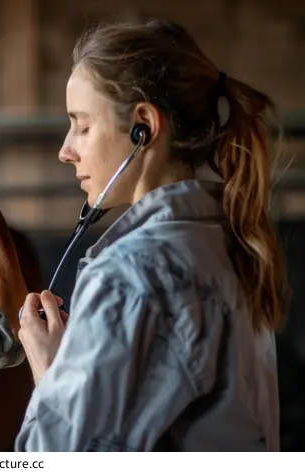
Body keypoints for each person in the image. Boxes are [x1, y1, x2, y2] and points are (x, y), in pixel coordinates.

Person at [15, 18, 288, 452]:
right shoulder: (232, 247)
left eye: (82, 125)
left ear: (144, 125)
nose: (66, 150)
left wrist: (50, 372)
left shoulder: (130, 275)